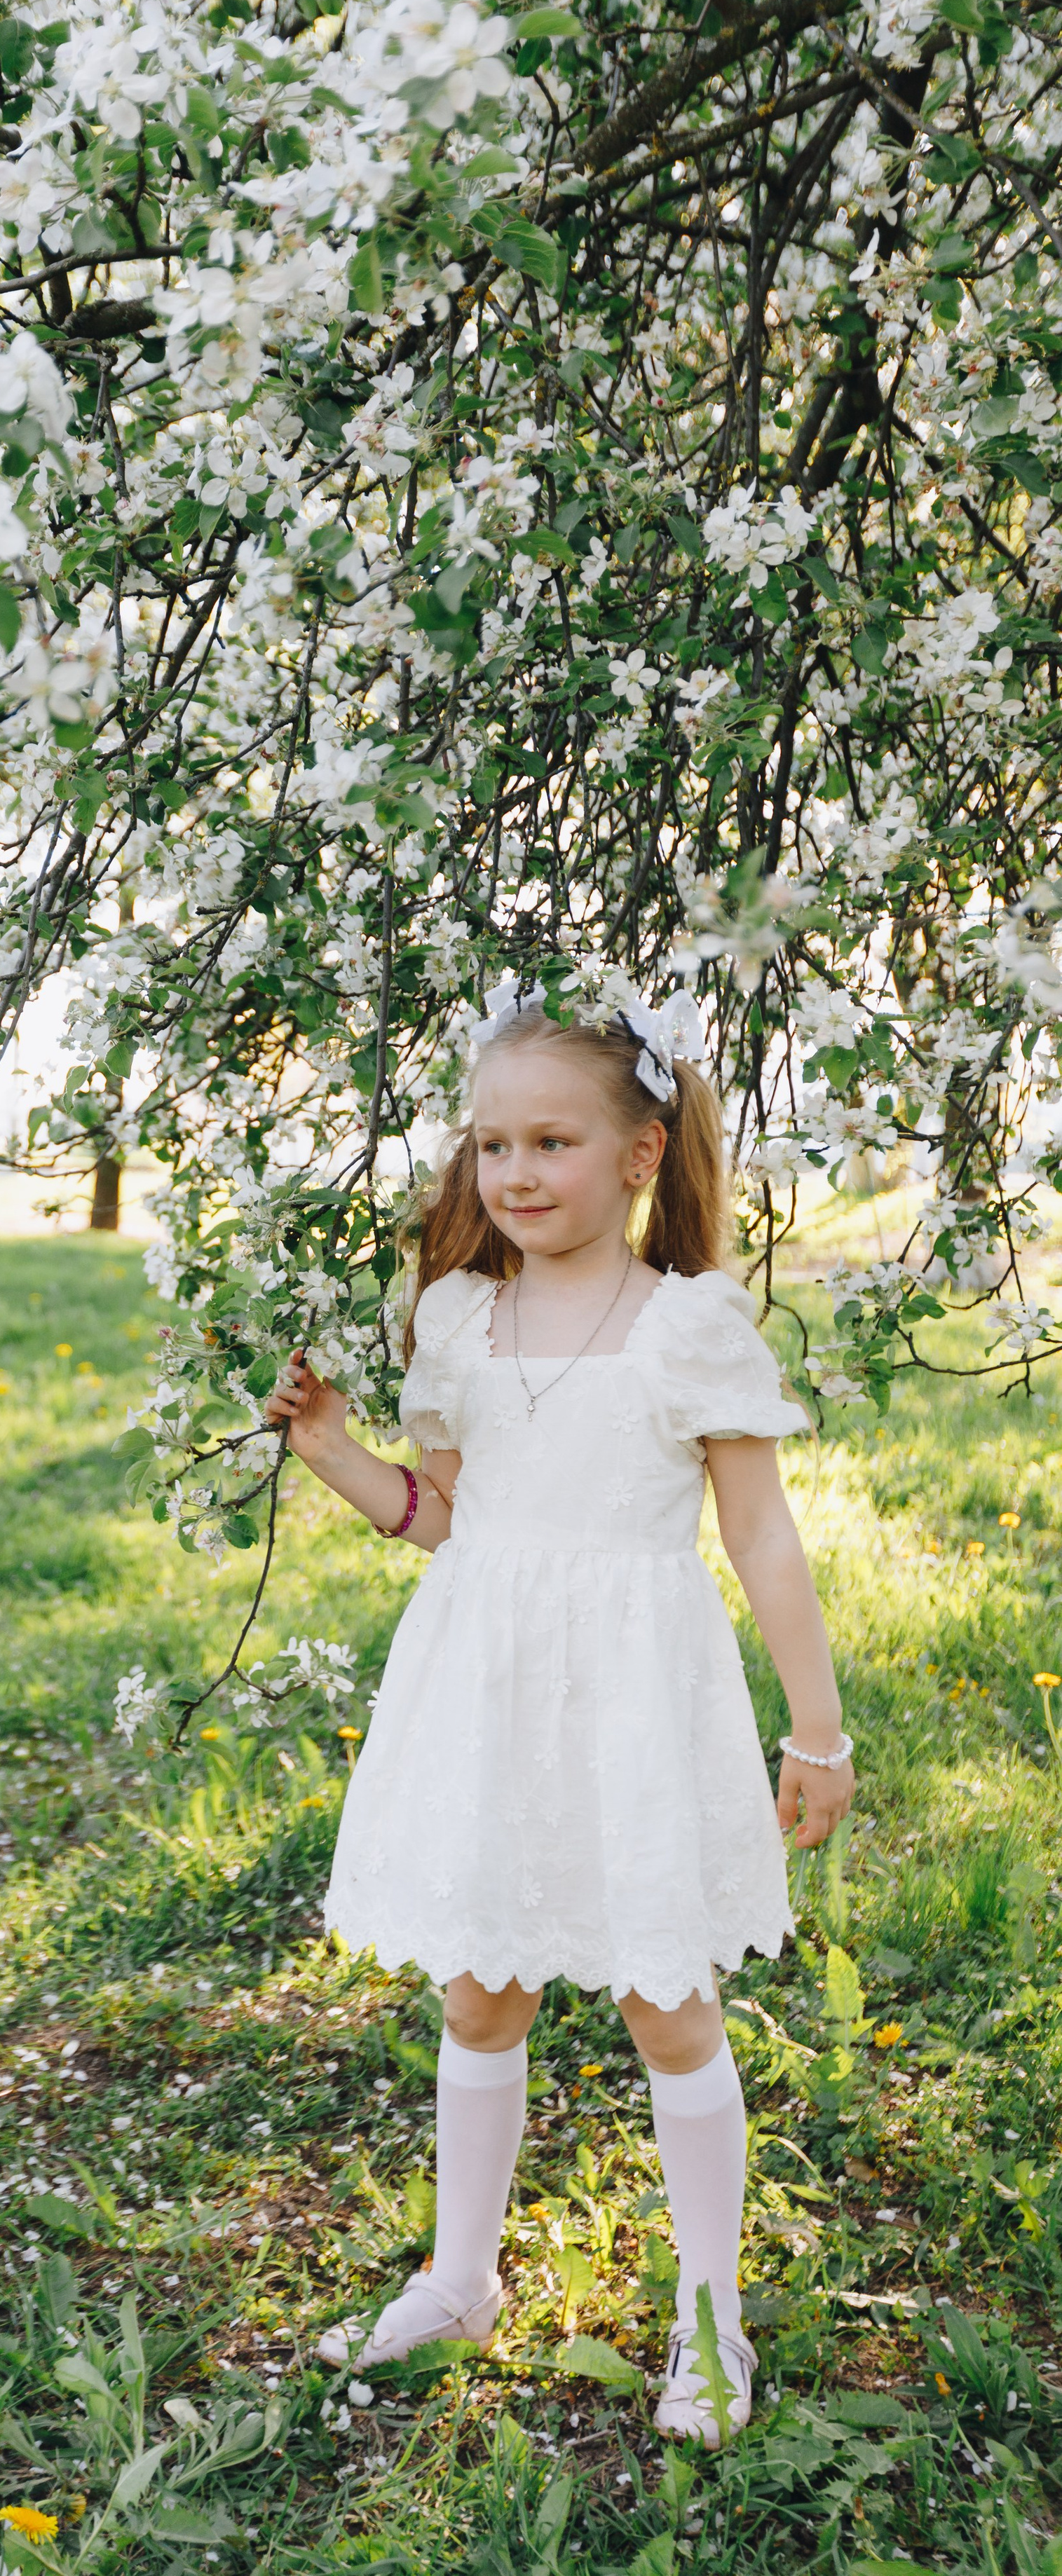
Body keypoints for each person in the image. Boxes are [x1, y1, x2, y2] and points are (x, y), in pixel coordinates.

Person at [265, 984, 853, 2446]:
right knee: (480, 1987)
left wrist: (816, 1727)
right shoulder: (457, 1319)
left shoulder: (689, 1327)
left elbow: (761, 1538)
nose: (515, 1174)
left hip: (634, 1699)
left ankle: (707, 2318)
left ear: (639, 1153)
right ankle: (460, 2276)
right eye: (489, 1145)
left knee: (666, 2001)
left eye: (551, 1142)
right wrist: (331, 1449)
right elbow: (443, 1514)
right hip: (483, 1687)